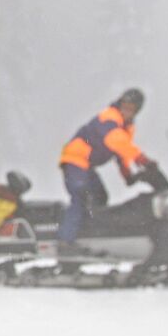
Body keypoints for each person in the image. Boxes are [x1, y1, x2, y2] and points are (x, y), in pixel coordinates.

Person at [57, 87, 155, 250]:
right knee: (81, 195)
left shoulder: (126, 126)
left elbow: (121, 153)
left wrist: (127, 175)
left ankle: (87, 234)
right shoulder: (110, 117)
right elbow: (114, 140)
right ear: (120, 103)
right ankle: (65, 241)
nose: (127, 111)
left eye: (131, 108)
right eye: (125, 106)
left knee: (100, 197)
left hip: (86, 165)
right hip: (75, 160)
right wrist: (140, 158)